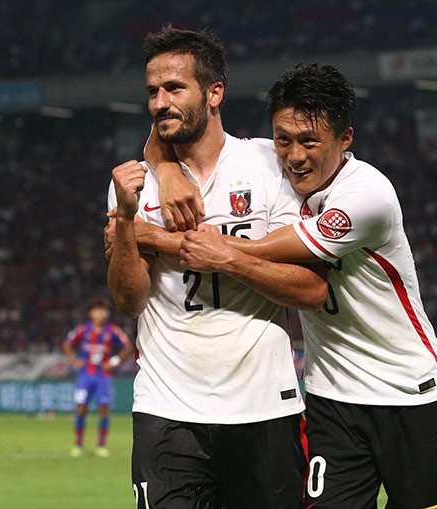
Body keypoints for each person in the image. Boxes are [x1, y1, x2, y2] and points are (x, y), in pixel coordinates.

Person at [173, 63, 437, 509]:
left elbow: (281, 247)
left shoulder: (367, 195)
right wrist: (163, 170)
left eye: (310, 141)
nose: (294, 156)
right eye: (283, 140)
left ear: (345, 138)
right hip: (330, 400)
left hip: (410, 394)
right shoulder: (275, 172)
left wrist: (213, 250)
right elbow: (175, 134)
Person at [106, 25, 327, 509]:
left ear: (214, 93)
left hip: (264, 406)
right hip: (167, 410)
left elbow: (310, 289)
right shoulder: (135, 183)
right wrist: (125, 220)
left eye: (174, 88)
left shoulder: (269, 164)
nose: (160, 102)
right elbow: (129, 300)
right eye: (152, 91)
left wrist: (224, 257)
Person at [62, 296, 132, 458]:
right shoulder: (83, 330)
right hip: (85, 375)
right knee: (81, 408)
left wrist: (114, 361)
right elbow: (67, 344)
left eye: (103, 311)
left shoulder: (112, 330)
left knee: (104, 409)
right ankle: (78, 444)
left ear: (107, 313)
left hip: (103, 376)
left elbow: (127, 346)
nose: (100, 314)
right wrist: (73, 359)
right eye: (97, 310)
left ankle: (101, 445)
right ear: (91, 313)